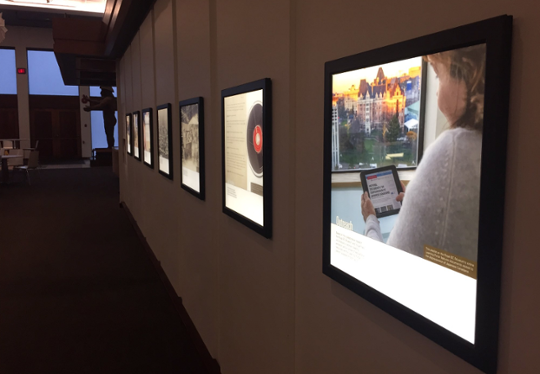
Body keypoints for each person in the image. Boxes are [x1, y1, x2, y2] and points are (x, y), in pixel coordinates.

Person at [361, 45, 485, 262]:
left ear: (466, 74)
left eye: (437, 75)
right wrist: (420, 204)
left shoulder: (453, 150)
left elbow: (385, 269)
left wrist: (371, 219)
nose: (436, 92)